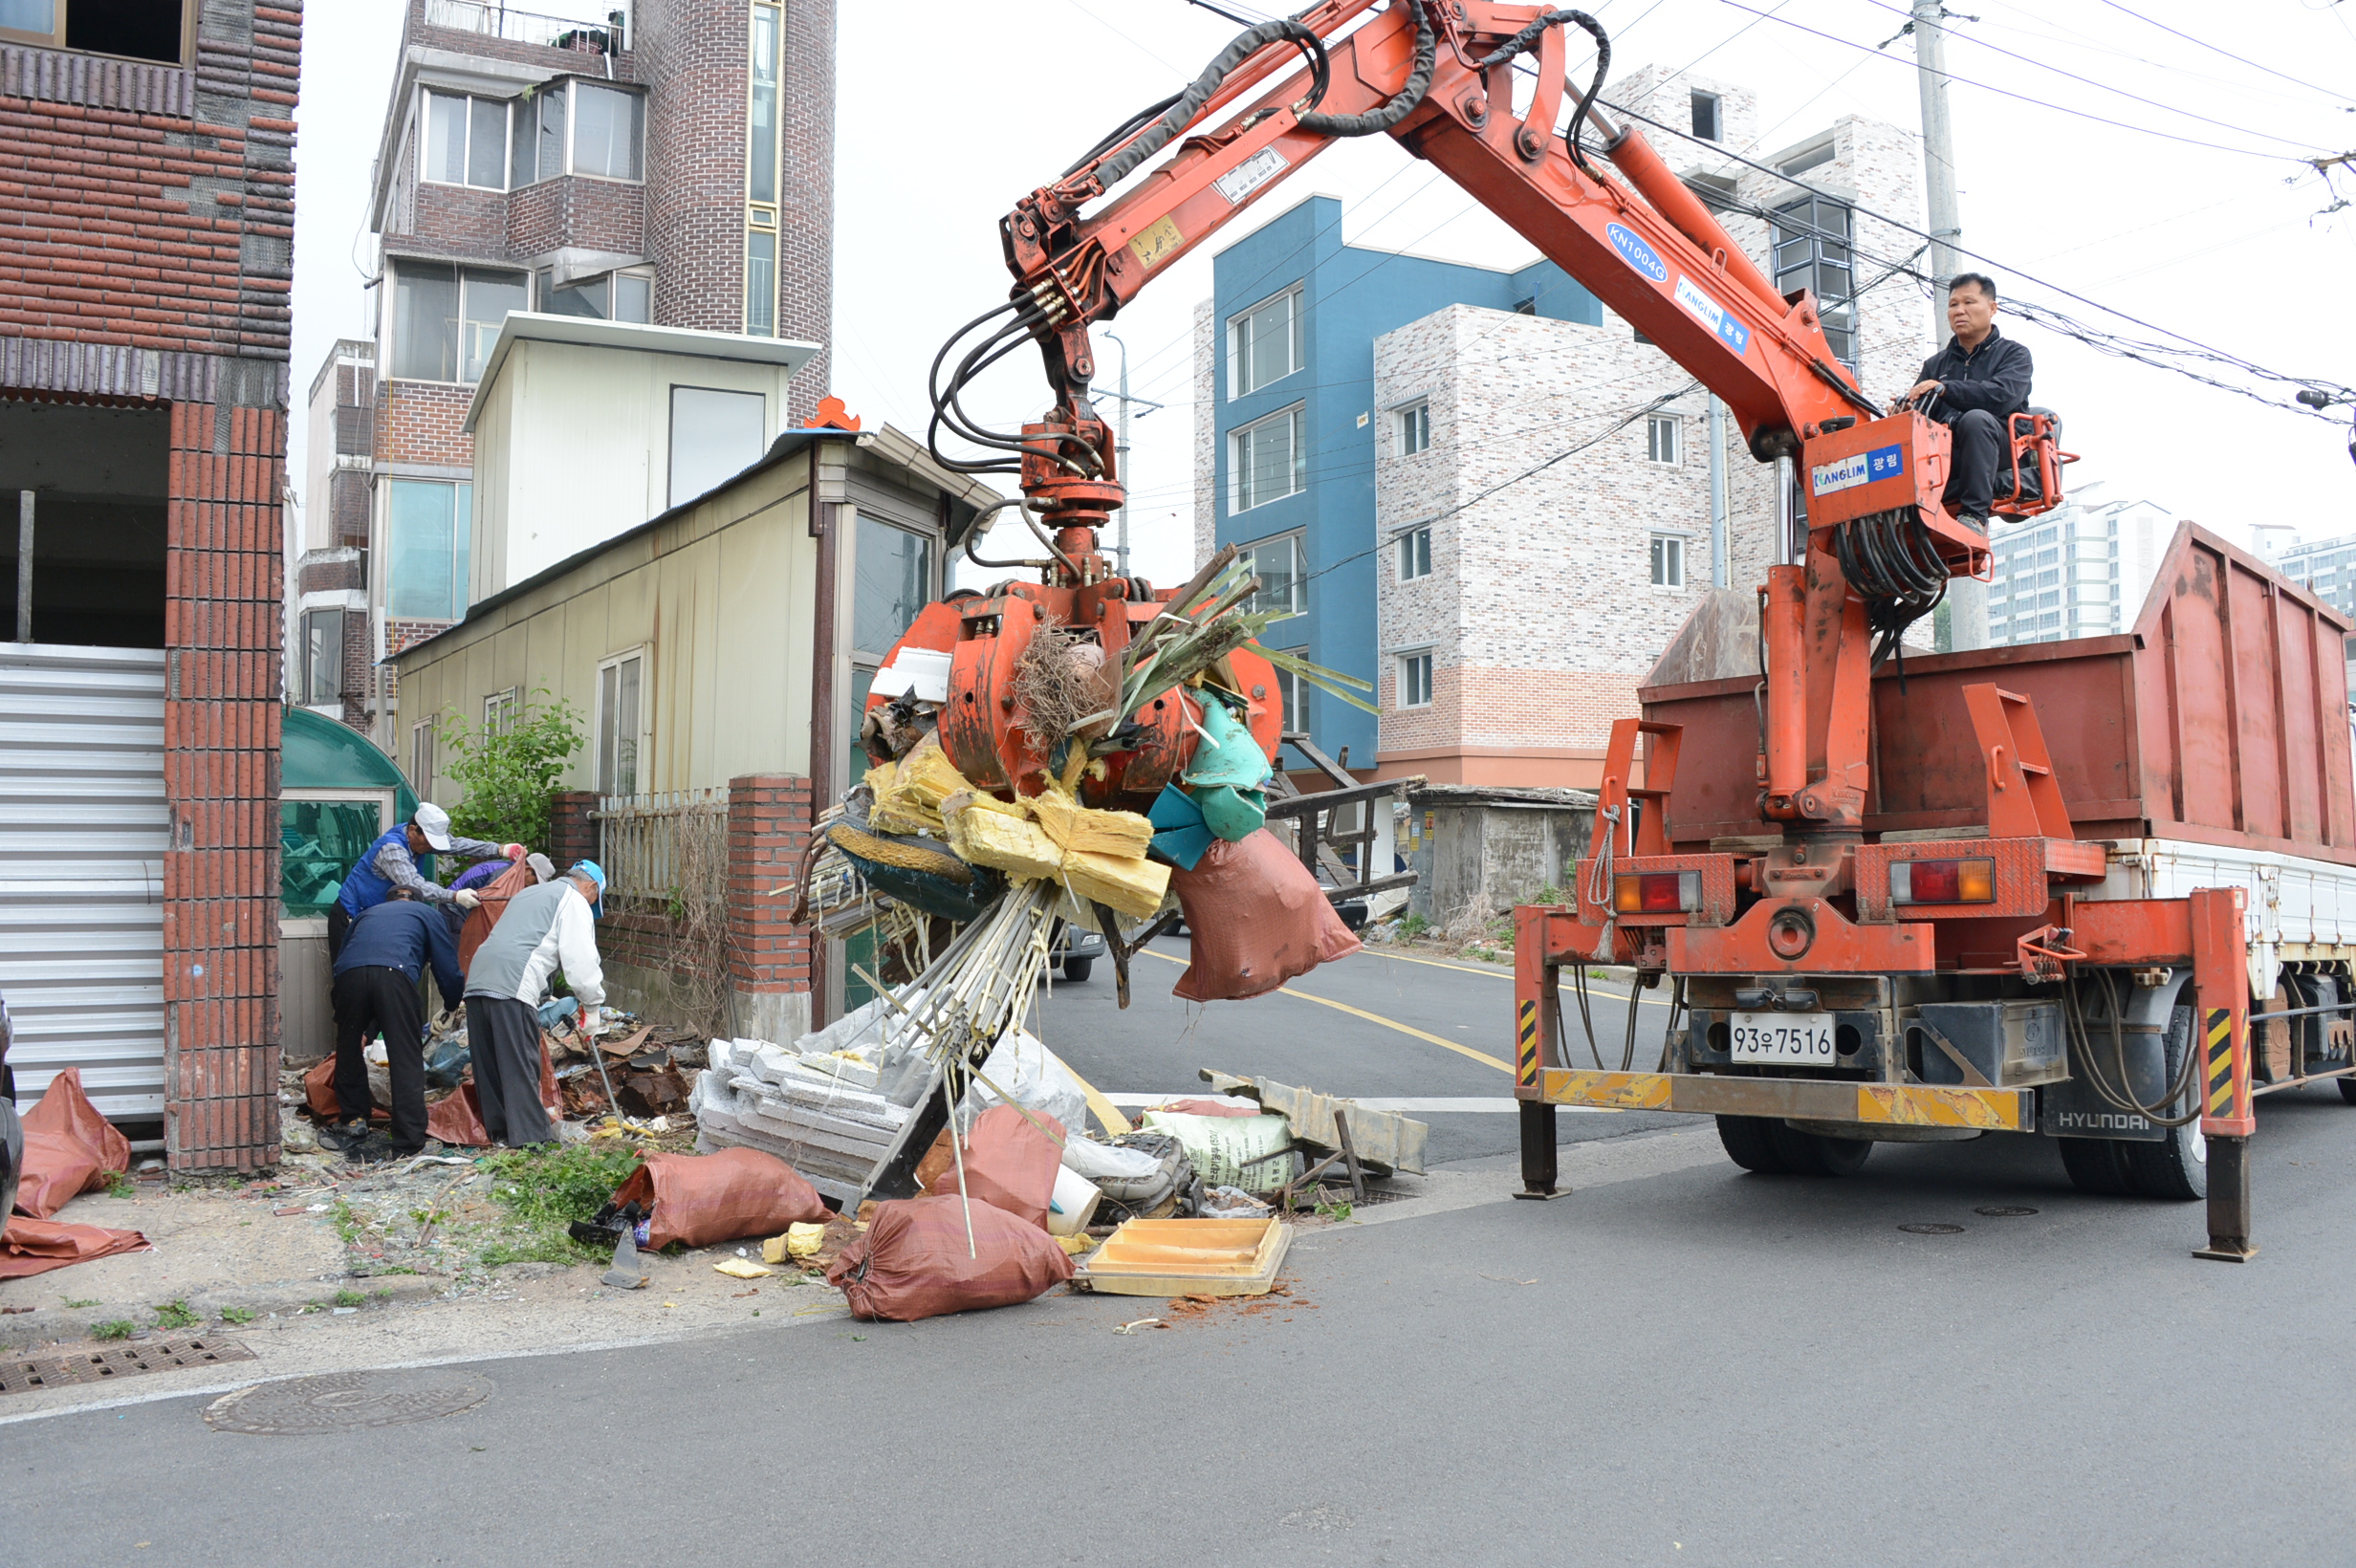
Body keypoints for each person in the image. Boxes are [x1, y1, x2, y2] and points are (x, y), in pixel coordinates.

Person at [464, 860, 609, 1148]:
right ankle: (531, 1141)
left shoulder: (528, 893)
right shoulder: (574, 900)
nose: (592, 904)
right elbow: (580, 960)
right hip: (513, 981)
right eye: (595, 898)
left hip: (478, 977)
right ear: (592, 886)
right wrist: (592, 1006)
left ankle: (500, 1135)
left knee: (489, 1063)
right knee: (519, 1063)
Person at [322, 886, 465, 1163]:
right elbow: (447, 965)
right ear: (418, 901)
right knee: (405, 1056)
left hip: (349, 976)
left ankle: (353, 1120)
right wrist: (451, 1003)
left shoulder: (367, 914)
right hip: (395, 975)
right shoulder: (427, 913)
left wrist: (362, 1028)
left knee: (349, 1047)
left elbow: (353, 961)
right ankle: (409, 1143)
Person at [1894, 272, 2033, 530]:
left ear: (1992, 308)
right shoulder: (1935, 365)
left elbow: (2001, 397)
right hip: (1951, 450)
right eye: (1953, 304)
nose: (1959, 311)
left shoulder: (2014, 354)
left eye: (1969, 302)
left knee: (1976, 420)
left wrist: (1946, 389)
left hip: (2004, 446)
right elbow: (1923, 414)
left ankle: (1974, 516)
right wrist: (1906, 411)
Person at [328, 802, 520, 961]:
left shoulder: (416, 839)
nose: (430, 847)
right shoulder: (392, 849)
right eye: (428, 842)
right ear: (413, 830)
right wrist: (454, 896)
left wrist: (499, 849)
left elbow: (456, 845)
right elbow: (414, 885)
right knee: (349, 972)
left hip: (376, 918)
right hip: (350, 915)